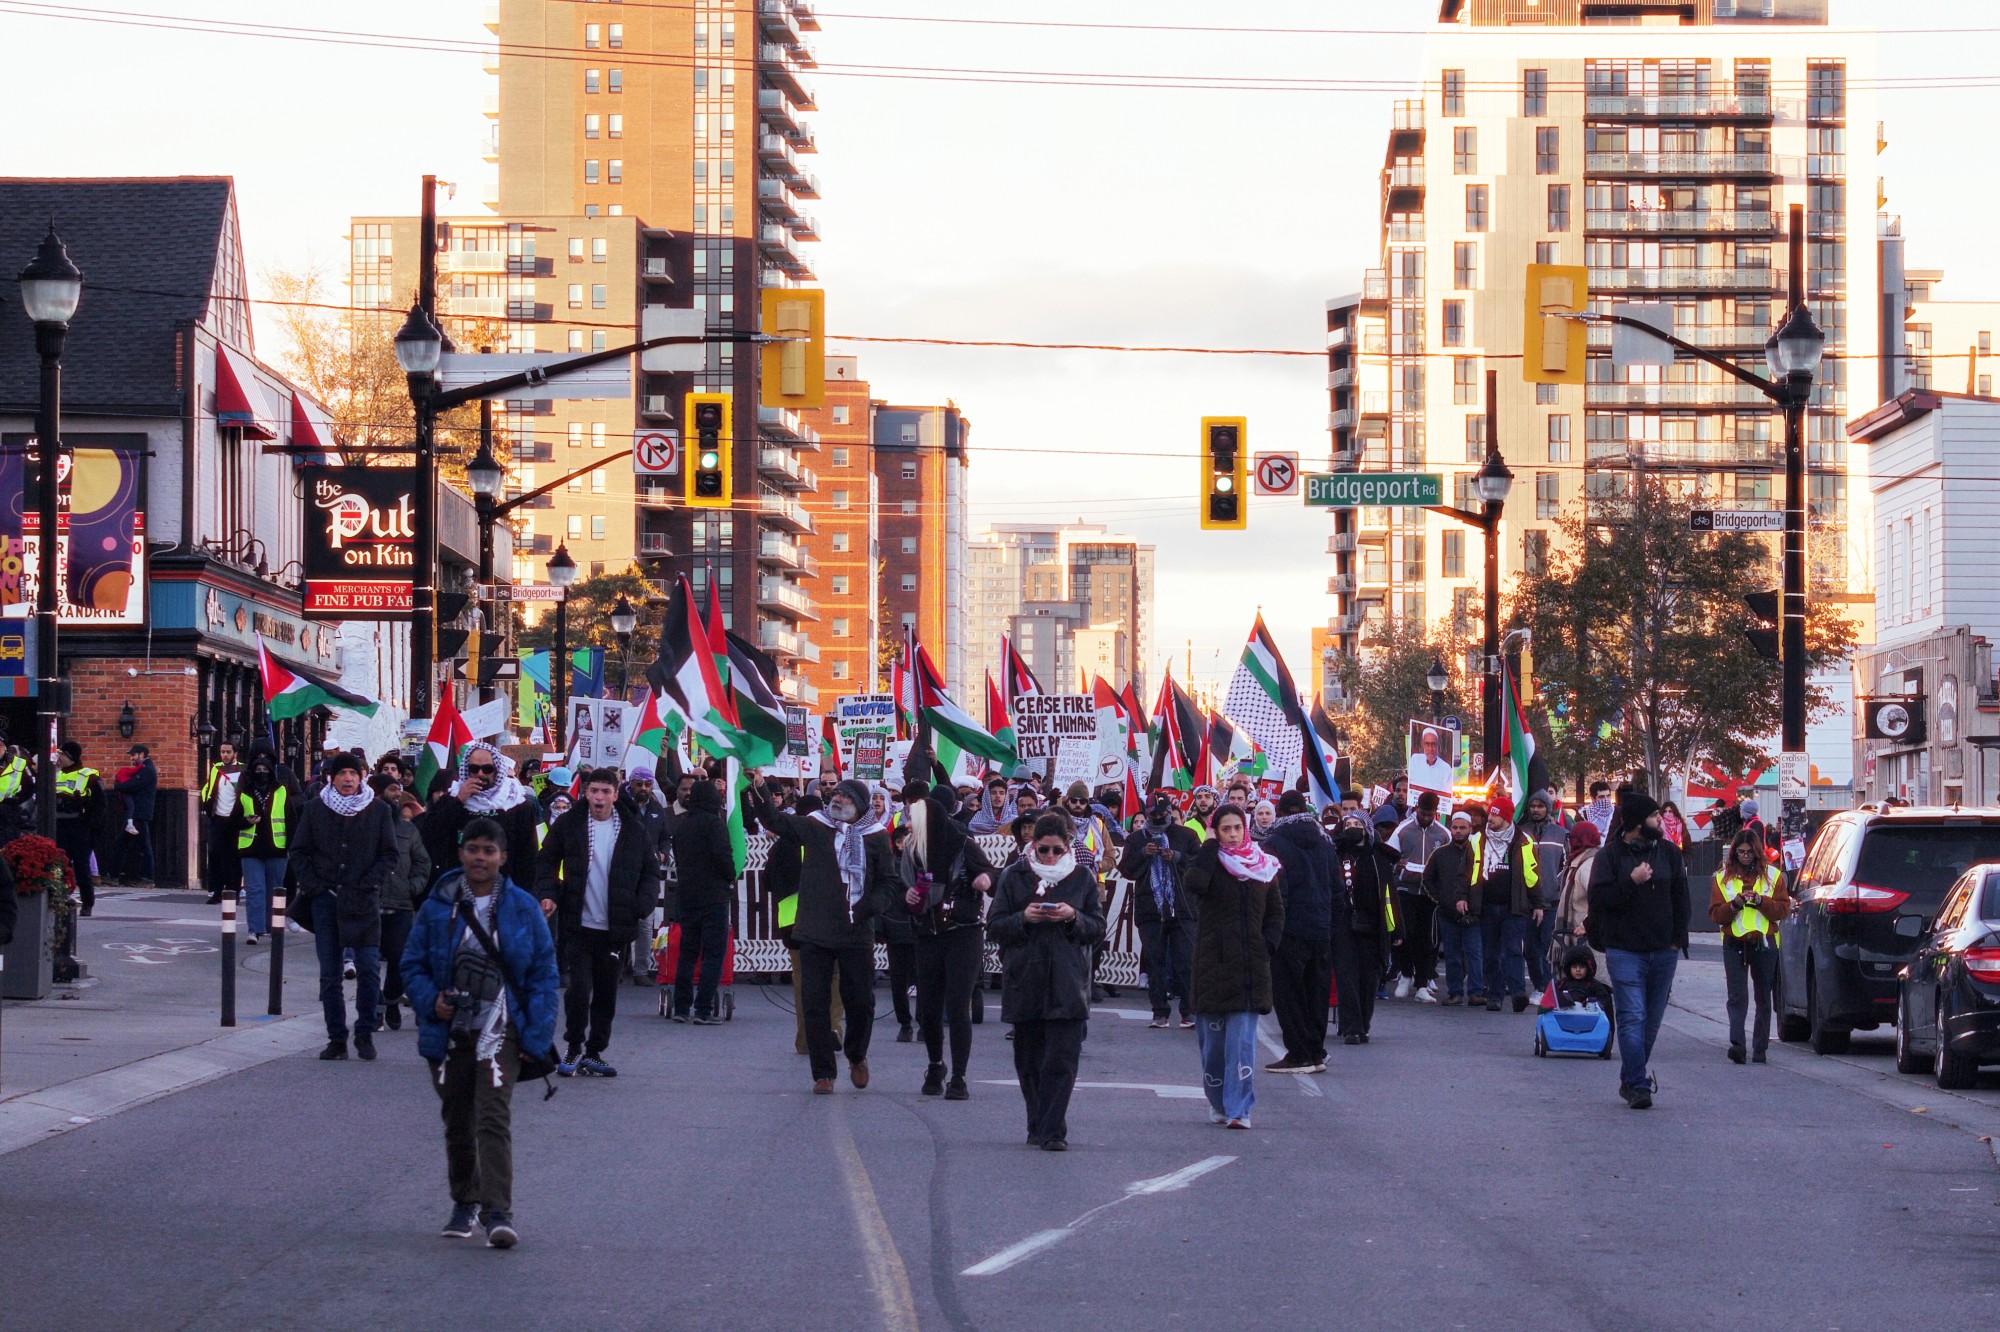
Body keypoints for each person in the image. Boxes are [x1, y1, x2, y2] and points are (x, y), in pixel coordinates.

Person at [400, 816, 560, 1249]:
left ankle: (497, 1212)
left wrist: (537, 1038)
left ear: (503, 858)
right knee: (457, 1118)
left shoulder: (523, 906)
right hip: (449, 1030)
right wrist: (430, 998)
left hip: (501, 1027)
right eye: (473, 849)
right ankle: (464, 1200)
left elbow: (544, 975)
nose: (480, 858)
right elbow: (411, 964)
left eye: (489, 851)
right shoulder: (438, 904)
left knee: (492, 1115)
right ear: (461, 853)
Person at [748, 776, 894, 1093]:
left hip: (856, 933)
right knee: (814, 1003)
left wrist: (872, 904)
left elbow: (888, 882)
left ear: (861, 807)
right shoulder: (815, 826)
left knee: (861, 1004)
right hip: (815, 931)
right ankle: (823, 1074)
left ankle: (857, 1056)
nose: (837, 800)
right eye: (835, 795)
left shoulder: (876, 836)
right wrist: (759, 787)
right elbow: (774, 820)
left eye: (846, 797)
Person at [989, 811, 1105, 1150]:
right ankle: (1037, 1121)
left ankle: (1054, 1130)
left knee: (1062, 1059)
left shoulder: (1082, 878)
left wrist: (1073, 917)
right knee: (1029, 1060)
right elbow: (995, 925)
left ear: (1068, 846)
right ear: (1032, 845)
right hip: (1025, 979)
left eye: (1056, 850)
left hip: (1068, 983)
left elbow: (1097, 929)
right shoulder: (1014, 876)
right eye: (1043, 850)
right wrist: (1023, 918)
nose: (1050, 856)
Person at [538, 768, 661, 1073]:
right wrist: (550, 893)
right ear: (586, 794)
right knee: (578, 990)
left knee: (606, 993)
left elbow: (650, 871)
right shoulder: (570, 824)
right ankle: (573, 1047)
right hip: (578, 923)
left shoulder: (633, 829)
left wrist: (641, 905)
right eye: (594, 791)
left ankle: (595, 1052)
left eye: (606, 791)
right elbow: (545, 859)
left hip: (616, 926)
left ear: (616, 795)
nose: (599, 797)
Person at [1586, 791, 1691, 1110]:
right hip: (1624, 950)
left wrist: (1677, 940)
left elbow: (1681, 900)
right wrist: (1630, 881)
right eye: (1654, 815)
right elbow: (1598, 901)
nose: (1661, 819)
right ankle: (1637, 1084)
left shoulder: (1670, 854)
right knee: (1632, 1016)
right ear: (1635, 823)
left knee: (1651, 1021)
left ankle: (1630, 1076)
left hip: (1663, 951)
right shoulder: (1610, 856)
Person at [1183, 805, 1286, 1128]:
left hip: (1249, 968)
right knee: (1213, 1049)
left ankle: (1239, 1109)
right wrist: (1210, 847)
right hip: (1212, 965)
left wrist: (1266, 944)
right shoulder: (1209, 861)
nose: (1232, 834)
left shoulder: (1264, 867)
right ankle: (1217, 1103)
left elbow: (1276, 913)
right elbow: (1194, 883)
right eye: (1225, 829)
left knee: (1241, 1045)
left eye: (1236, 828)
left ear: (1246, 829)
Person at [291, 752, 398, 1061]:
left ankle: (364, 1032)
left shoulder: (378, 810)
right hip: (327, 902)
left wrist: (371, 882)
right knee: (330, 975)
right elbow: (299, 852)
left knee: (368, 969)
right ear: (332, 778)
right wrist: (315, 886)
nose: (348, 778)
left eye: (353, 773)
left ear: (362, 777)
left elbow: (389, 855)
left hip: (364, 902)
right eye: (342, 774)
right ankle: (336, 1038)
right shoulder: (314, 809)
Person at [901, 783, 993, 1099]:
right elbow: (908, 893)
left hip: (963, 933)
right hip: (928, 933)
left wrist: (984, 880)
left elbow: (989, 876)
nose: (909, 825)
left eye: (915, 819)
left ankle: (959, 1076)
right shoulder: (914, 851)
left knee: (956, 1005)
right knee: (928, 1008)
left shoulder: (962, 845)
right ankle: (936, 1063)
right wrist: (910, 896)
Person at [1259, 791, 1335, 1072]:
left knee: (1289, 993)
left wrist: (1271, 931)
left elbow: (1279, 892)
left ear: (1279, 813)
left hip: (1290, 929)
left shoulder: (1275, 843)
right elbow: (1336, 887)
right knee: (1317, 992)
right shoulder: (1325, 841)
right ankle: (1316, 1051)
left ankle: (1299, 1053)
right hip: (1321, 927)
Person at [1118, 792, 1202, 1030]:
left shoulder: (1186, 835)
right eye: (1153, 814)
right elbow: (1126, 870)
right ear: (1146, 814)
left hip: (1182, 907)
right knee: (1155, 962)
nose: (1157, 818)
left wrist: (1177, 857)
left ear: (1169, 812)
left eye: (1161, 814)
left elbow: (1199, 862)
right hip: (1150, 909)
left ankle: (1189, 1011)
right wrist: (1144, 854)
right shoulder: (1136, 839)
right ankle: (1159, 1012)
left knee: (1185, 961)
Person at [419, 744, 545, 896]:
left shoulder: (517, 804)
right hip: (458, 893)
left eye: (487, 769)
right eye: (474, 769)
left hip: (504, 894)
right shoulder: (452, 799)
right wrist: (460, 800)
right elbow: (429, 835)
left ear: (497, 770)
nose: (480, 774)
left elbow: (527, 858)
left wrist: (521, 898)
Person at [1709, 826, 1788, 1065]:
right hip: (1734, 943)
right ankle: (1738, 1045)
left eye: (1749, 852)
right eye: (1741, 852)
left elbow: (1782, 910)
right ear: (1734, 853)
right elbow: (1715, 914)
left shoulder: (1773, 877)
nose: (1745, 856)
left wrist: (1761, 901)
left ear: (1757, 852)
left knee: (1763, 996)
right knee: (1737, 997)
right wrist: (1734, 905)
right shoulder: (1723, 878)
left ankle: (1760, 1048)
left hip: (1764, 942)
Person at [662, 777, 733, 1025]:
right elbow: (723, 856)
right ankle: (703, 1008)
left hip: (688, 895)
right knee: (713, 953)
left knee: (688, 953)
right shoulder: (714, 823)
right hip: (714, 896)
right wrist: (730, 876)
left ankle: (682, 1007)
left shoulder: (683, 825)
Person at [1331, 807, 1399, 1045]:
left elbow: (1389, 896)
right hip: (1343, 925)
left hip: (1372, 925)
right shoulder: (1335, 853)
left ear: (1366, 829)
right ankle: (1351, 1027)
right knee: (1347, 977)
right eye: (1347, 825)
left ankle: (1364, 1025)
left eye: (1357, 825)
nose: (1352, 829)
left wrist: (1396, 929)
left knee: (1368, 979)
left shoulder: (1378, 857)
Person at [225, 747, 298, 946]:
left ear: (271, 771)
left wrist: (292, 846)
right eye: (257, 769)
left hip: (277, 848)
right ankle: (254, 930)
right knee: (255, 889)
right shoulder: (245, 793)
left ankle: (272, 926)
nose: (261, 773)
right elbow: (232, 821)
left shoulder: (281, 790)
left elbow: (291, 819)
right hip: (250, 848)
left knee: (275, 890)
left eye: (265, 769)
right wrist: (246, 821)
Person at [1472, 795, 1539, 1014]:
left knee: (1513, 951)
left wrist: (1538, 903)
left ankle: (1518, 994)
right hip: (1487, 905)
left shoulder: (1523, 841)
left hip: (1514, 906)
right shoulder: (1478, 839)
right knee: (1491, 952)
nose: (1490, 818)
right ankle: (1494, 996)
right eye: (1490, 813)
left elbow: (1532, 875)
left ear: (1507, 818)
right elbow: (1467, 872)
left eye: (1495, 814)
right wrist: (1466, 897)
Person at [377, 791, 432, 1030]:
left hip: (400, 906)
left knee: (399, 962)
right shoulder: (365, 828)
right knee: (367, 964)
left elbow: (422, 862)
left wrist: (413, 887)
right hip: (370, 906)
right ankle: (375, 1008)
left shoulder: (408, 831)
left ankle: (390, 1001)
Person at [1390, 792, 1448, 1001]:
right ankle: (1405, 975)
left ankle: (1422, 984)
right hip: (1405, 889)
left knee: (1427, 939)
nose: (1426, 817)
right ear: (1417, 809)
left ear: (1436, 812)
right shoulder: (1402, 830)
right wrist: (1398, 864)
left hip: (1429, 894)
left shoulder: (1443, 834)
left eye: (1430, 814)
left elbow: (1449, 860)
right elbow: (1389, 856)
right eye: (1423, 813)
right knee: (1406, 935)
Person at [1423, 810, 1482, 1006]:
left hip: (1474, 914)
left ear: (1470, 829)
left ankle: (1476, 992)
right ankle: (1455, 993)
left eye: (1462, 828)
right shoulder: (1440, 854)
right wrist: (1441, 899)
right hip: (1448, 914)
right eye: (1455, 828)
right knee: (1452, 955)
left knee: (1474, 954)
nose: (1458, 831)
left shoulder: (1479, 853)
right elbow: (1427, 879)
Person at [1518, 792, 1568, 992]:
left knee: (1548, 945)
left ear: (1547, 808)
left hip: (1552, 901)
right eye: (1532, 806)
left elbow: (1565, 864)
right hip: (1527, 902)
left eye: (1540, 806)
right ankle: (1540, 986)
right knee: (1530, 949)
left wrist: (1556, 885)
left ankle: (1549, 988)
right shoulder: (1521, 833)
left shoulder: (1560, 834)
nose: (1536, 810)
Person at [51, 742, 102, 917]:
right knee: (60, 867)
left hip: (81, 828)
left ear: (70, 756)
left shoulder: (89, 776)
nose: (59, 757)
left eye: (62, 755)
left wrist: (93, 830)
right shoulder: (55, 775)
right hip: (61, 826)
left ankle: (87, 903)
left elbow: (101, 806)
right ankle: (61, 898)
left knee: (82, 867)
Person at [1554, 821, 1604, 971]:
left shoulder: (1587, 866)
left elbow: (1599, 898)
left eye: (1572, 838)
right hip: (1579, 935)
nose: (1569, 842)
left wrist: (1586, 923)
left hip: (1585, 935)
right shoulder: (1579, 863)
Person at [200, 739, 243, 905]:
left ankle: (234, 892)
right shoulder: (216, 768)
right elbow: (209, 788)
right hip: (216, 818)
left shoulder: (241, 770)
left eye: (228, 752)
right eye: (222, 752)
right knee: (215, 854)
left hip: (234, 820)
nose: (225, 755)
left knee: (233, 856)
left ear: (235, 753)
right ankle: (216, 892)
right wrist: (207, 804)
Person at [1407, 727, 1454, 794]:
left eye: (1433, 744)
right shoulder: (1415, 760)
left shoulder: (1446, 768)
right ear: (1423, 744)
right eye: (1427, 744)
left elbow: (1447, 793)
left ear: (1437, 745)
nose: (1431, 749)